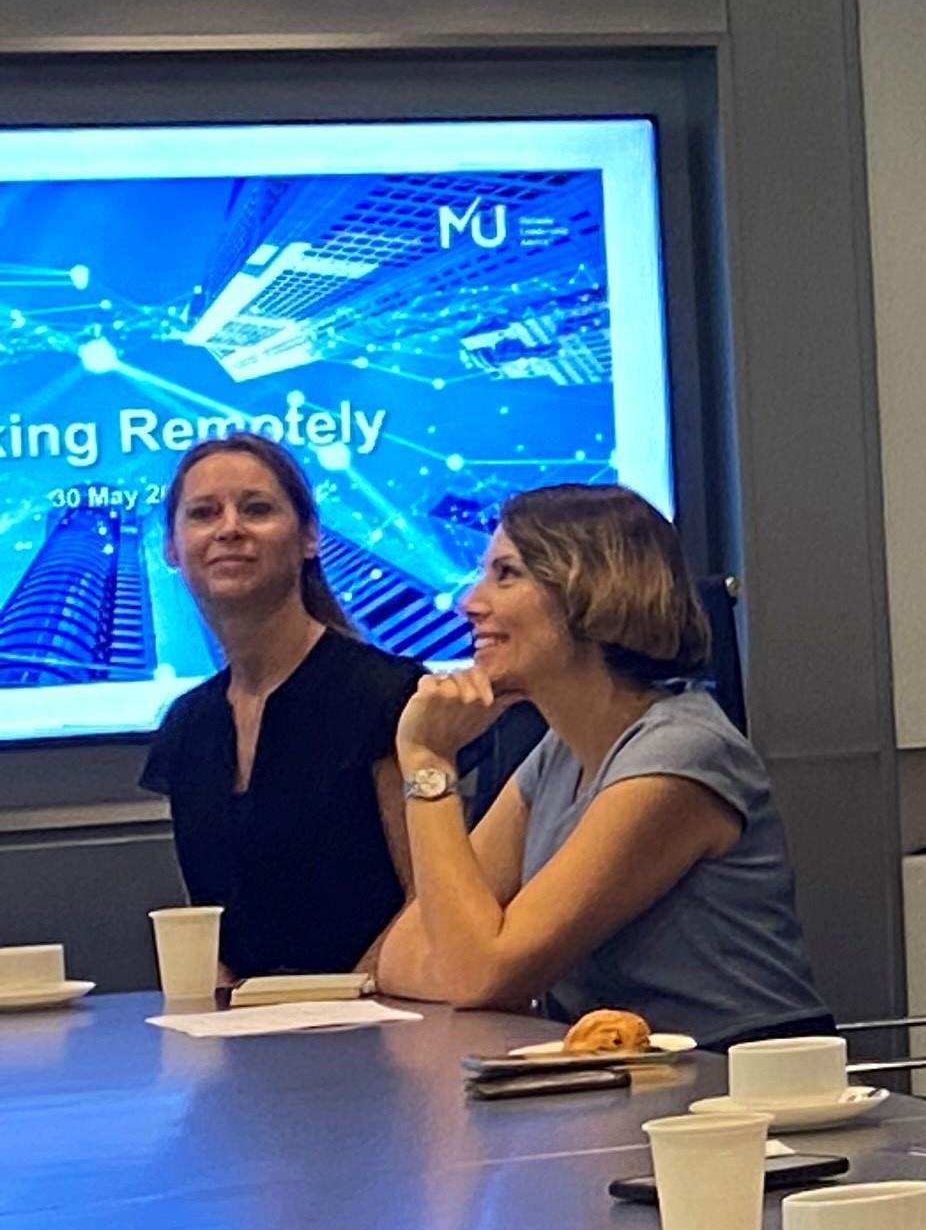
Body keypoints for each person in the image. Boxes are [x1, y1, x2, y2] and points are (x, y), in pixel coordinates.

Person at [373, 483, 828, 1045]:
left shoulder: (681, 756)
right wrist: (473, 967)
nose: (470, 602)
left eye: (506, 574)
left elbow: (479, 974)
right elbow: (403, 955)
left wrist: (429, 764)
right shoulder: (559, 752)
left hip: (733, 1077)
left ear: (591, 591)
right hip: (623, 1073)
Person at [136, 433, 419, 985]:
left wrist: (338, 1006)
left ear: (310, 537)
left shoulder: (388, 696)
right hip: (243, 1027)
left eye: (256, 509)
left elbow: (428, 899)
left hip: (384, 1015)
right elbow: (215, 930)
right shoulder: (187, 727)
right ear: (172, 548)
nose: (229, 528)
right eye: (203, 513)